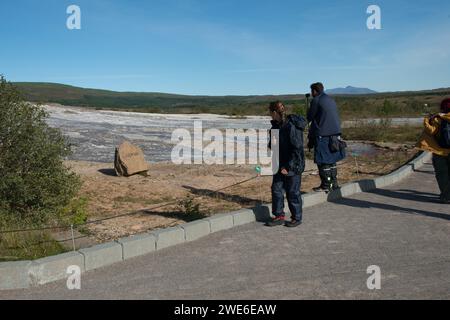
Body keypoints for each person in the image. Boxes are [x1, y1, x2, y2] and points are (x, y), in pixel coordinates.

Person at [266, 101, 307, 228]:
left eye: (270, 113)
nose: (270, 116)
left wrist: (288, 166)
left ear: (274, 112)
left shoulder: (291, 126)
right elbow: (273, 146)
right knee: (276, 189)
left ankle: (296, 217)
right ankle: (279, 215)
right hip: (279, 163)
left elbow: (297, 149)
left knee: (292, 192)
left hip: (293, 165)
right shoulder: (275, 126)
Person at [307, 82, 345, 193]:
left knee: (323, 161)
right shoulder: (330, 100)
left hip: (323, 135)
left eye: (312, 91)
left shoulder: (316, 100)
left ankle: (326, 184)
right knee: (332, 160)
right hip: (335, 134)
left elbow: (310, 117)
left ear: (314, 91)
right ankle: (334, 183)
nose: (311, 93)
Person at [416, 98, 450, 204]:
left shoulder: (438, 118)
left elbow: (432, 131)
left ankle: (446, 197)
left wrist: (426, 120)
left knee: (442, 174)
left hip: (440, 151)